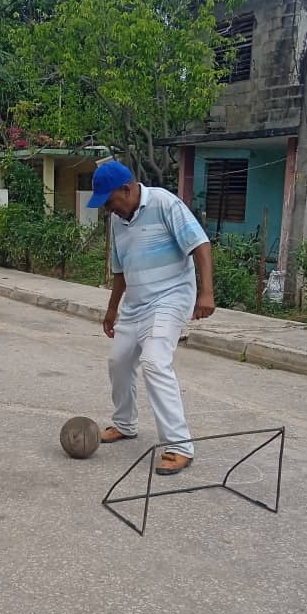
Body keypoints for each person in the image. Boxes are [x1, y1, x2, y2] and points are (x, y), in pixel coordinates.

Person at [88, 161, 215, 476]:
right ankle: (125, 423)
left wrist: (206, 293)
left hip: (170, 297)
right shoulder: (119, 221)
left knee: (156, 362)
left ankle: (179, 445)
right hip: (136, 302)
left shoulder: (164, 203)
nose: (107, 209)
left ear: (127, 189)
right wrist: (112, 307)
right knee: (118, 361)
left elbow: (201, 244)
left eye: (109, 201)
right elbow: (121, 270)